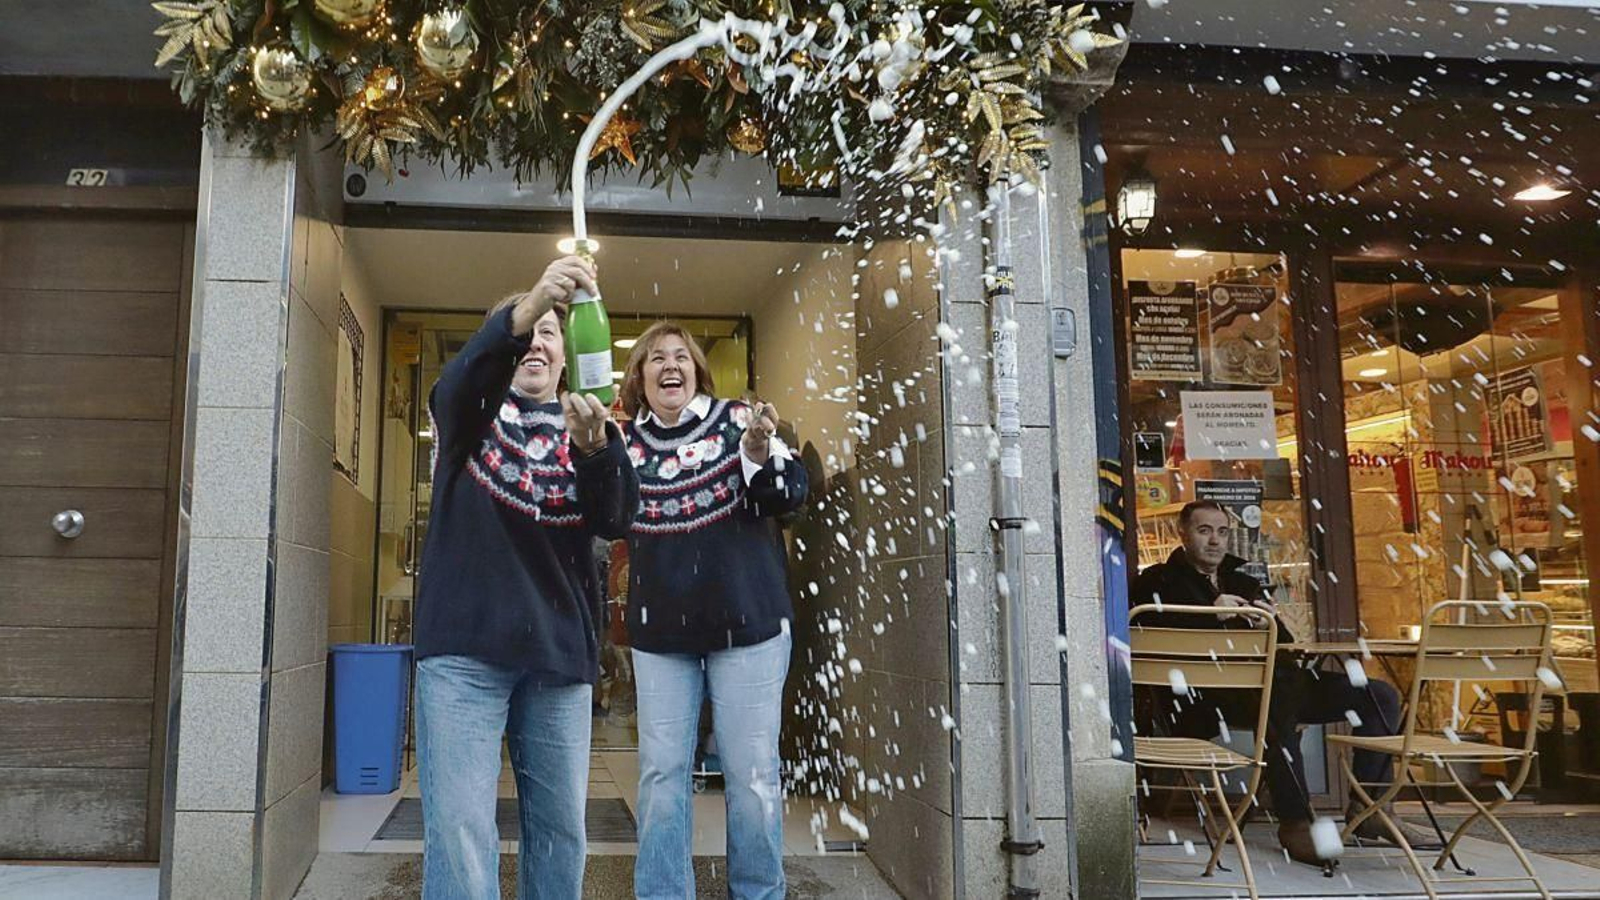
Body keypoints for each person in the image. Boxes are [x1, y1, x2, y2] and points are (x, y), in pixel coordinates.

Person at [412, 255, 640, 900]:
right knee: (459, 826)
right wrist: (535, 300)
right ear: (501, 347)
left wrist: (596, 452)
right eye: (526, 330)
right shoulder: (468, 419)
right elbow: (457, 386)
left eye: (550, 332)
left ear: (566, 357)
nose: (537, 340)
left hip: (558, 658)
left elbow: (619, 515)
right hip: (462, 655)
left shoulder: (595, 426)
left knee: (561, 829)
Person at [1130, 500, 1438, 865]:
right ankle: (1294, 821)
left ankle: (1370, 808)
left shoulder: (1244, 581)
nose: (1215, 541)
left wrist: (1268, 623)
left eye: (1223, 531)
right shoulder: (1158, 581)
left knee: (1377, 695)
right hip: (1210, 698)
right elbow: (1155, 640)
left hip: (1279, 685)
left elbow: (1288, 643)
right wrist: (1215, 614)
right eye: (1204, 530)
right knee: (1279, 704)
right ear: (1183, 534)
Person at [618, 322, 809, 900]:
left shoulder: (739, 421)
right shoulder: (625, 445)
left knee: (751, 778)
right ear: (640, 378)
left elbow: (790, 495)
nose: (669, 365)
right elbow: (603, 515)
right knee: (660, 778)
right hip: (661, 639)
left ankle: (757, 892)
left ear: (697, 370)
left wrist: (756, 455)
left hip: (748, 627)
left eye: (680, 356)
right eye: (655, 359)